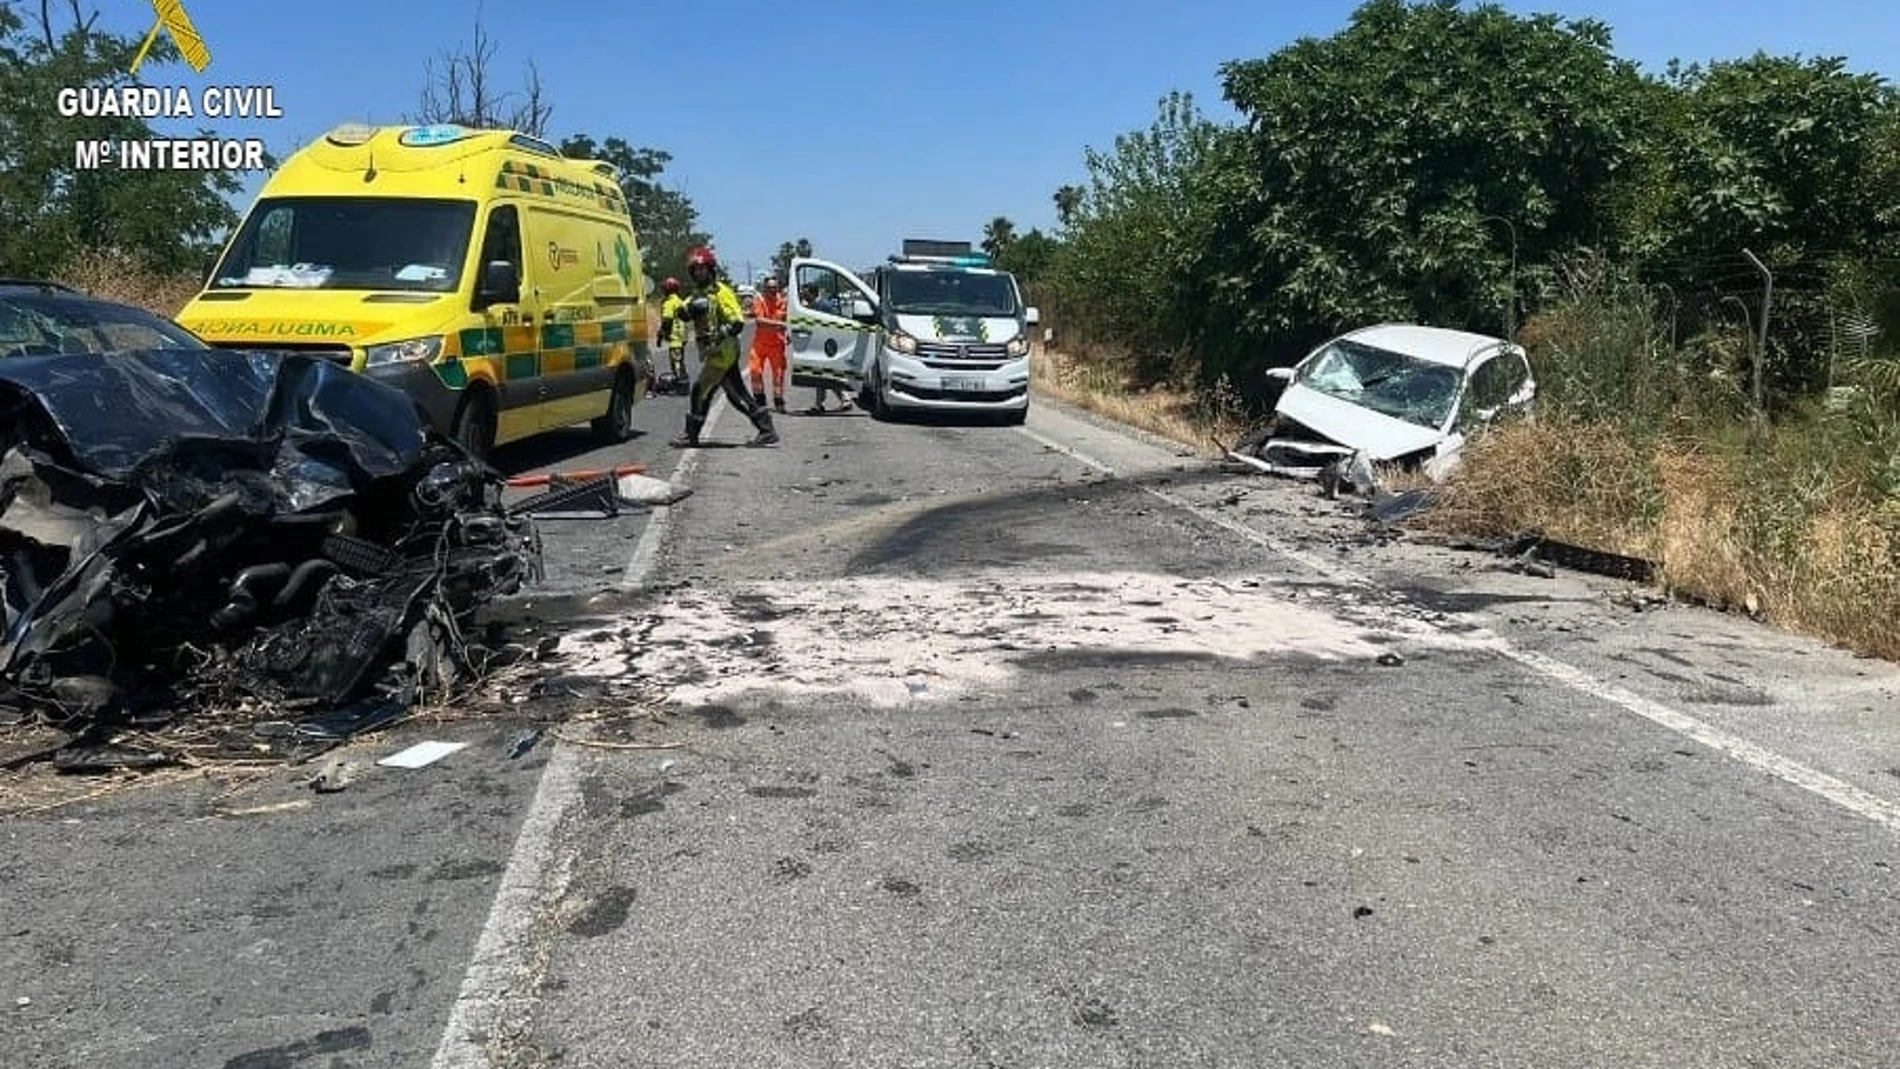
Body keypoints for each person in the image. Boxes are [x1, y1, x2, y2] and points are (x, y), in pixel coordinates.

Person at [671, 246, 778, 448]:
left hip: (723, 352)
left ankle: (691, 434)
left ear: (711, 270)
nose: (699, 272)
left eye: (702, 269)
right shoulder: (698, 293)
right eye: (695, 270)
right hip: (713, 353)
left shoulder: (722, 292)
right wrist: (686, 311)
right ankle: (766, 429)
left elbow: (737, 322)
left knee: (699, 390)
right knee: (734, 394)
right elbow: (684, 311)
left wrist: (719, 333)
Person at [798, 283, 854, 414]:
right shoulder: (810, 307)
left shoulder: (825, 305)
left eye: (805, 293)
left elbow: (837, 322)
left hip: (828, 345)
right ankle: (842, 400)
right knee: (823, 374)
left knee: (823, 373)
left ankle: (821, 404)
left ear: (813, 293)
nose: (803, 295)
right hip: (818, 345)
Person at [747, 275, 790, 414]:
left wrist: (788, 331)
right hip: (760, 344)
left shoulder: (783, 301)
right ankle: (760, 401)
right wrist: (780, 324)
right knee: (755, 371)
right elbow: (759, 320)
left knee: (778, 376)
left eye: (774, 288)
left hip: (777, 344)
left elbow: (789, 320)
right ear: (765, 288)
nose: (772, 290)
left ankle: (779, 402)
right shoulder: (759, 300)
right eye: (769, 288)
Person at [655, 276, 688, 390]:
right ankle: (681, 381)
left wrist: (660, 335)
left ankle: (681, 383)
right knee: (680, 360)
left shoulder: (669, 302)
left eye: (664, 289)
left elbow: (667, 320)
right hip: (682, 335)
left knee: (676, 362)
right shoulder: (679, 301)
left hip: (675, 337)